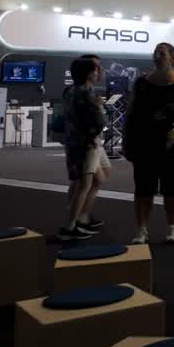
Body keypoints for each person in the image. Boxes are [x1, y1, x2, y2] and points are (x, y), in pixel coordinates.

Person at [125, 43, 174, 246]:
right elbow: (130, 113)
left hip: (173, 145)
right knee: (143, 189)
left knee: (173, 188)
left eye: (163, 53)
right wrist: (126, 140)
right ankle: (141, 230)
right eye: (156, 53)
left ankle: (172, 228)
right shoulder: (141, 83)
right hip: (143, 144)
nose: (158, 56)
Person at [60, 58, 109, 241]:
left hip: (74, 143)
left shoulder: (71, 91)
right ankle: (71, 226)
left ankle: (77, 220)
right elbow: (98, 122)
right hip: (87, 143)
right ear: (89, 73)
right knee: (83, 185)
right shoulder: (87, 95)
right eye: (95, 70)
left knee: (90, 181)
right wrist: (99, 106)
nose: (98, 72)